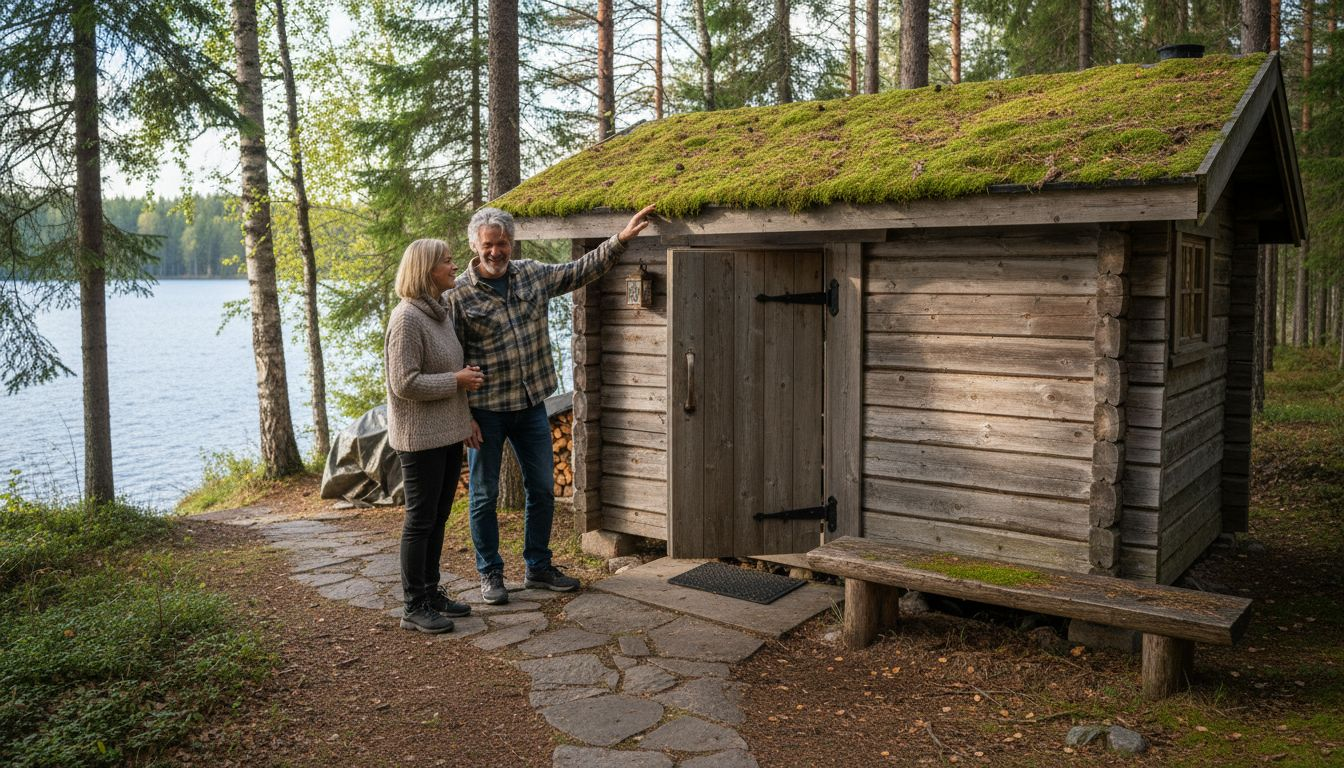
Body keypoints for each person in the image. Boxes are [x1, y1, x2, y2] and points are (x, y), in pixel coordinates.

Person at [453, 203, 656, 604]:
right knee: (482, 495)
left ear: (513, 242)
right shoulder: (458, 294)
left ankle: (538, 567)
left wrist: (620, 240)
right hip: (487, 411)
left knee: (543, 489)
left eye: (503, 243)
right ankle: (490, 574)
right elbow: (451, 359)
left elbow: (579, 270)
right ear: (475, 245)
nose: (497, 252)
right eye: (489, 245)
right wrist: (464, 417)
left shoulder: (531, 274)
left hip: (531, 405)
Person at [385, 238, 487, 633]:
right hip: (419, 438)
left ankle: (430, 591)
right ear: (427, 269)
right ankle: (413, 605)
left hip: (447, 432)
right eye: (446, 261)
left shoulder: (440, 313)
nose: (453, 265)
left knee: (439, 517)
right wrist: (456, 379)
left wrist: (465, 421)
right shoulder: (407, 318)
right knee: (420, 520)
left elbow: (449, 378)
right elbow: (404, 382)